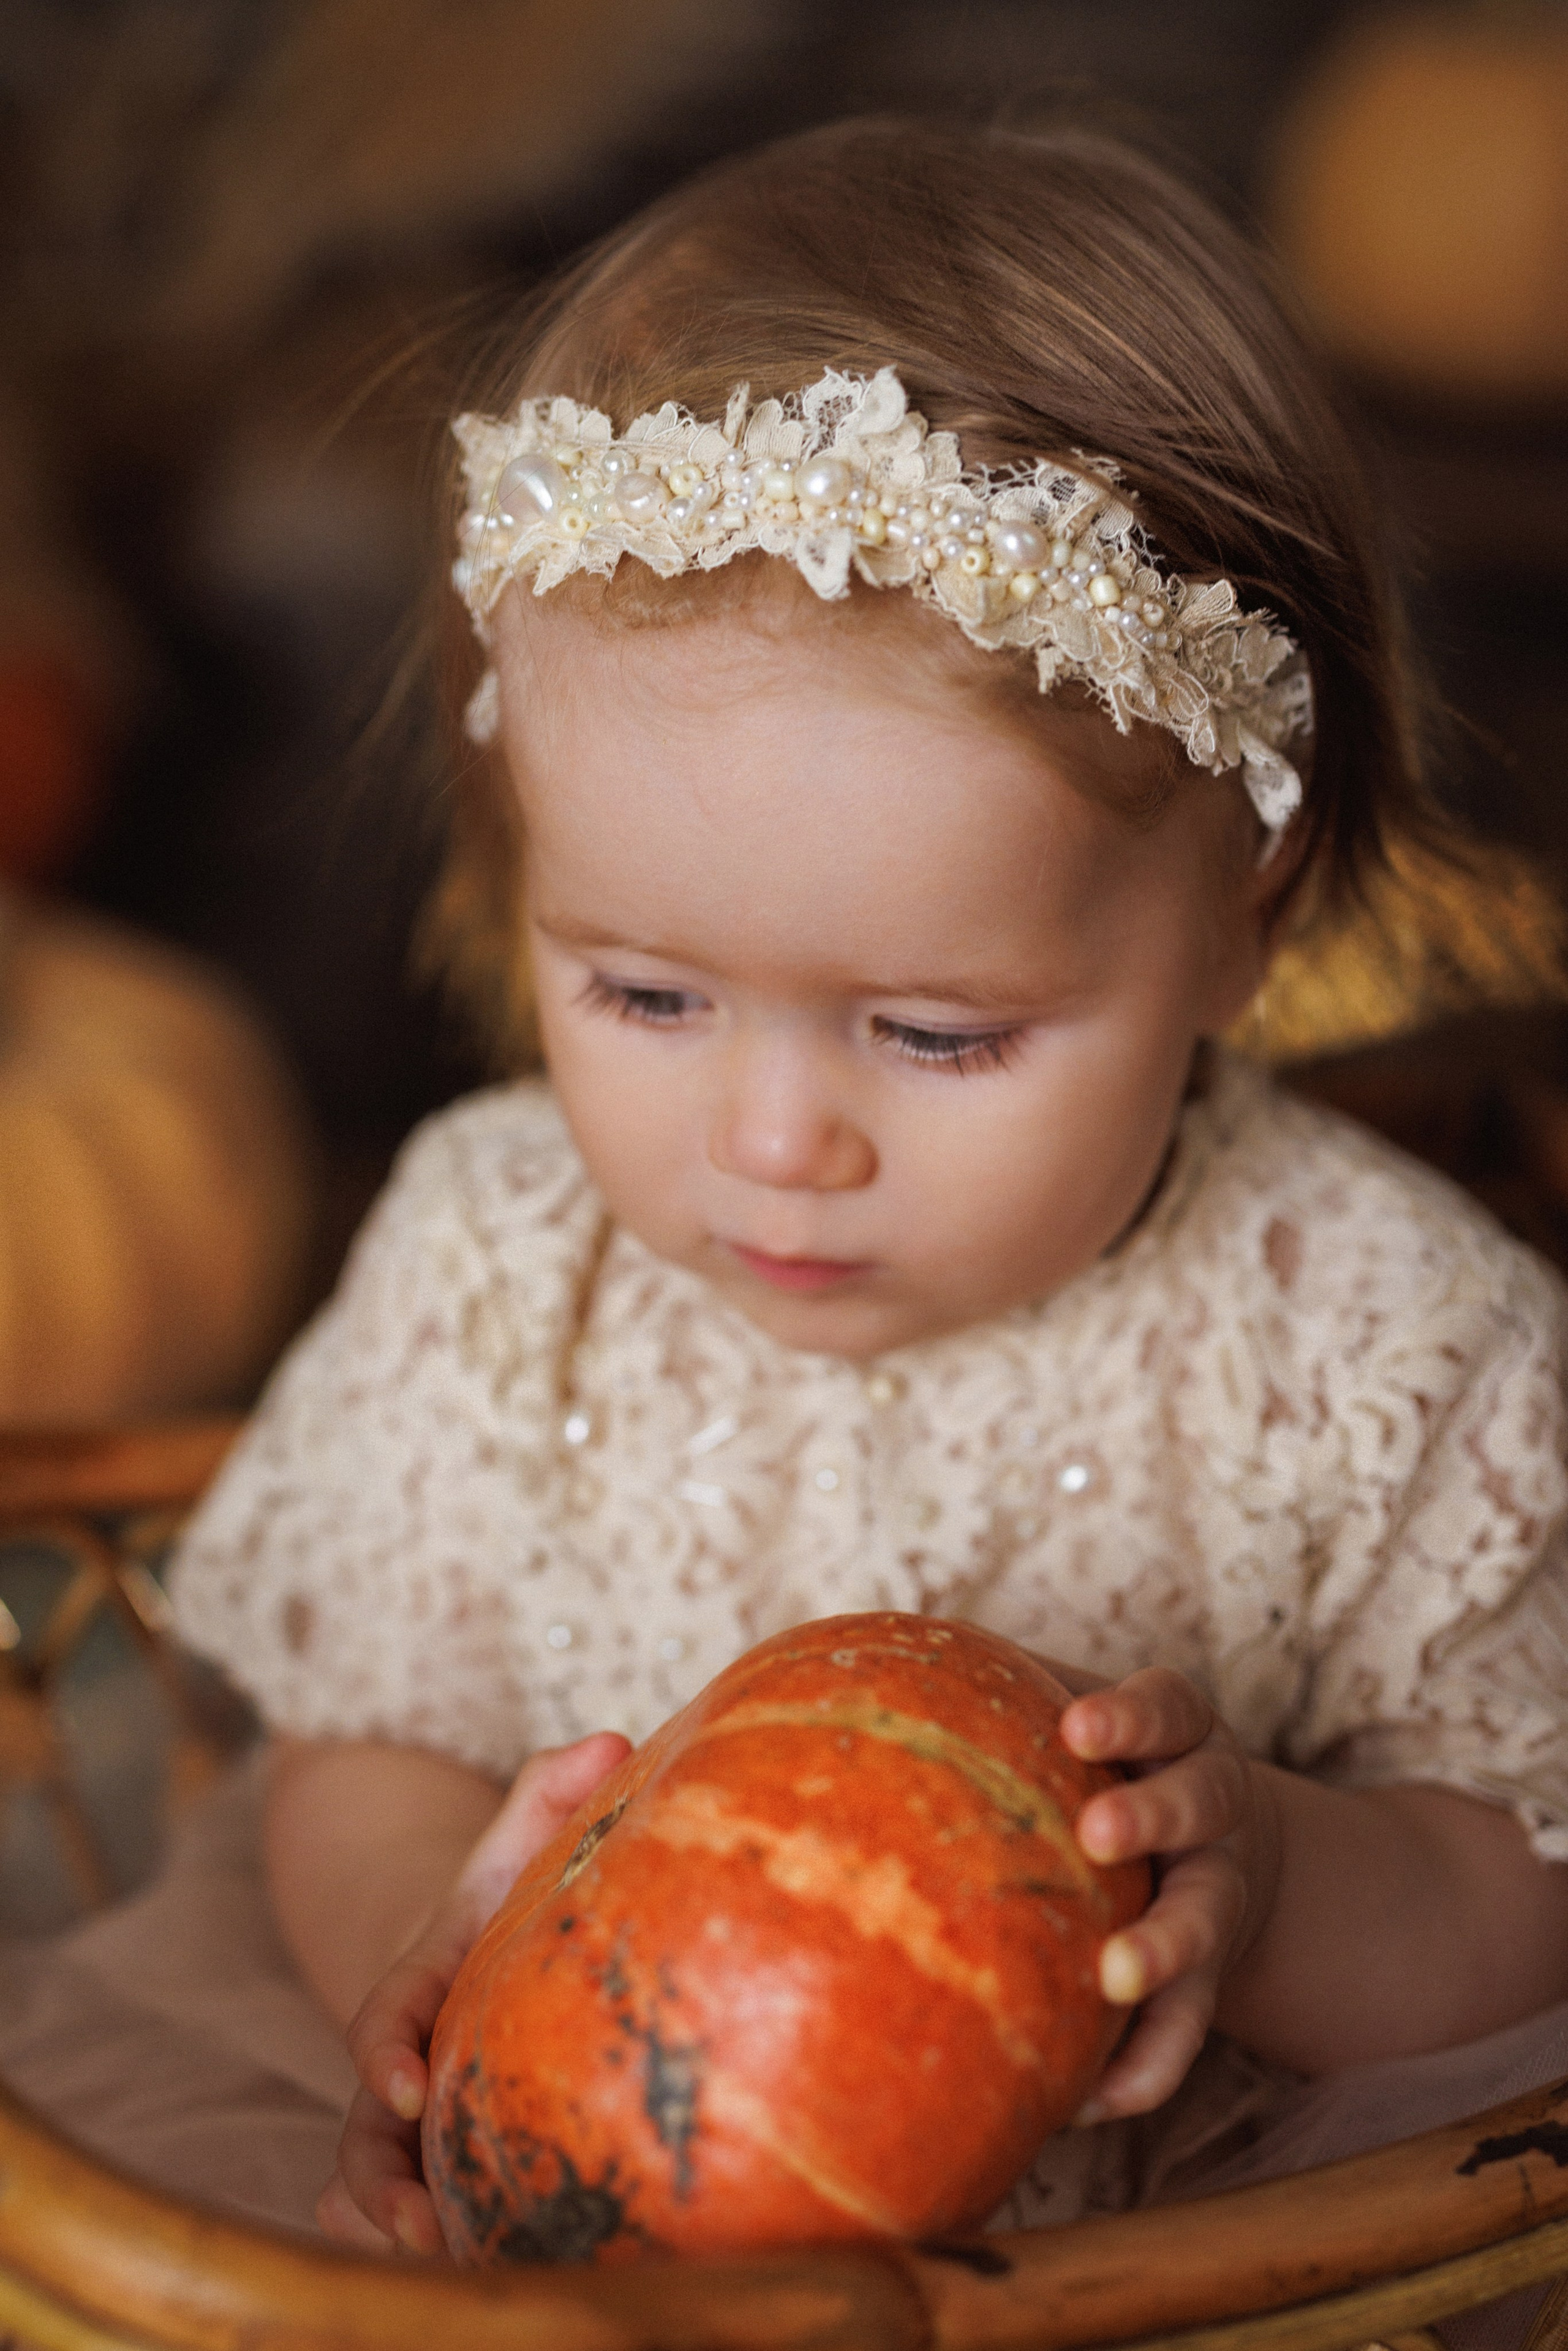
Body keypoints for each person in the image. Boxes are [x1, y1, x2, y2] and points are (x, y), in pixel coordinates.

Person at [18, 118, 1568, 2286]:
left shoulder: (1382, 1340)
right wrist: (440, 1962)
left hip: (1192, 2291)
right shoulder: (502, 1264)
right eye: (644, 993)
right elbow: (374, 1745)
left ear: (1252, 915)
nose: (773, 1141)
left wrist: (1290, 1886)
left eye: (935, 1033)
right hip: (602, 2252)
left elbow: (1524, 1889)